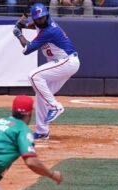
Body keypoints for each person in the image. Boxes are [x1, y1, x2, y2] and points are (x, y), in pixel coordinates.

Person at [12, 3, 80, 140]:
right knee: (41, 94)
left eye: (42, 17)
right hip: (62, 64)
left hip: (67, 61)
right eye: (38, 18)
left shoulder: (49, 30)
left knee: (33, 75)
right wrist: (23, 25)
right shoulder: (40, 23)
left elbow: (27, 49)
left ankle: (55, 106)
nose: (41, 20)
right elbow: (34, 24)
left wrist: (18, 34)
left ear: (46, 15)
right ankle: (42, 131)